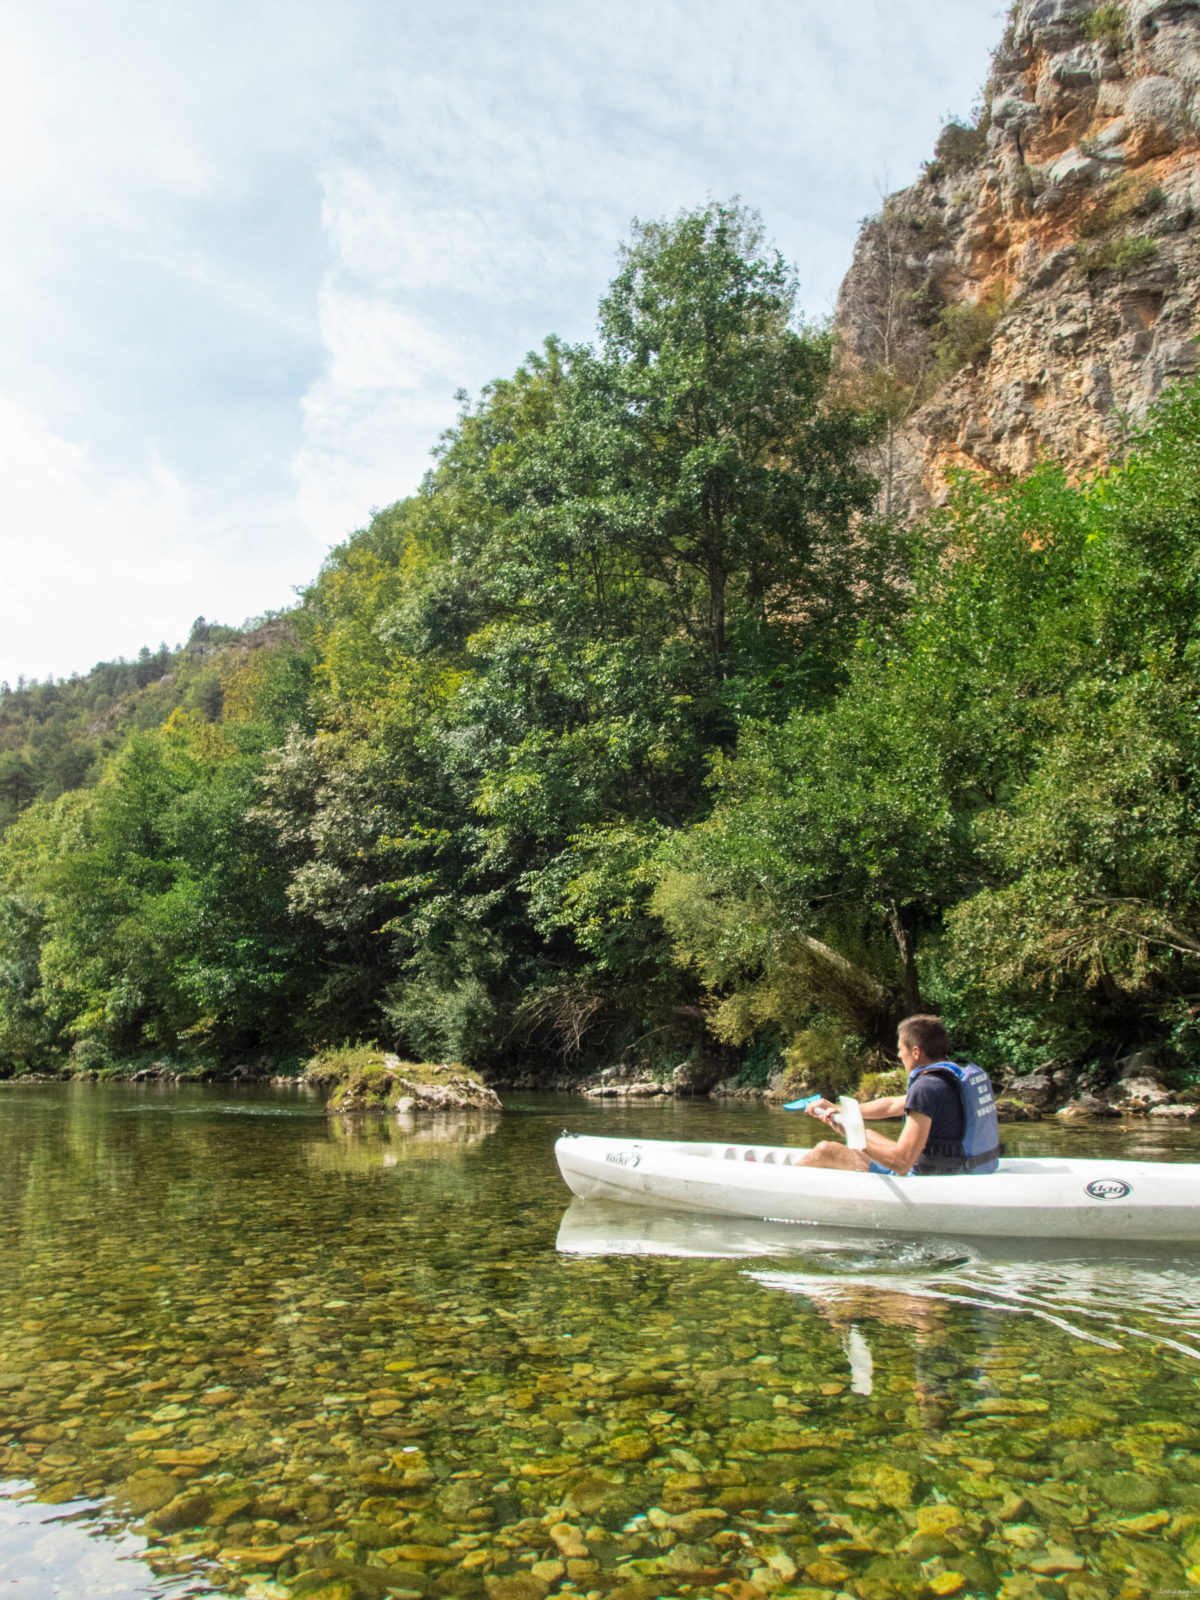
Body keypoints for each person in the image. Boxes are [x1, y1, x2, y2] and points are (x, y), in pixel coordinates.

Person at [794, 1014, 1001, 1176]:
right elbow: (893, 1105)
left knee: (824, 1150)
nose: (899, 1055)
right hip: (970, 1165)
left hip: (932, 1177)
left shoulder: (926, 1087)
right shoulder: (947, 1081)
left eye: (900, 1049)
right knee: (872, 1134)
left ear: (916, 1051)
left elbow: (902, 1163)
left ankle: (781, 1184)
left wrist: (850, 1131)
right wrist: (839, 1109)